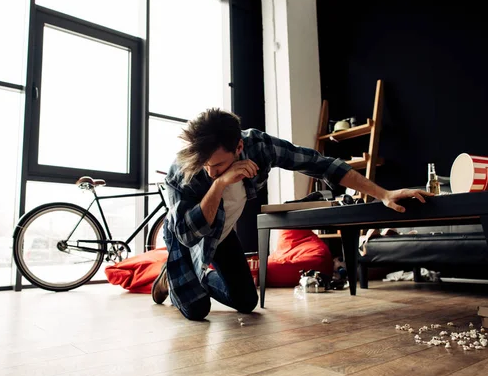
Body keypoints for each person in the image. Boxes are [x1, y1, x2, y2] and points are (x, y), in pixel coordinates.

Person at [151, 108, 433, 320]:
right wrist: (220, 182)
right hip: (185, 236)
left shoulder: (259, 147)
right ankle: (170, 280)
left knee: (247, 303)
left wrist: (383, 194)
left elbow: (322, 164)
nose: (211, 170)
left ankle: (194, 280)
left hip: (222, 235)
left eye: (220, 165)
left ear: (239, 147)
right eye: (208, 166)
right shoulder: (186, 169)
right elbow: (188, 235)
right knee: (198, 310)